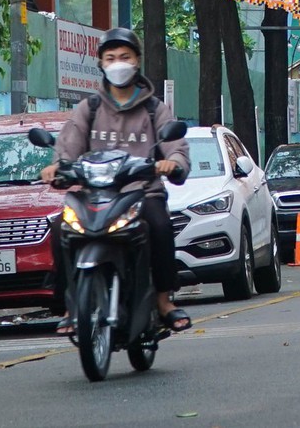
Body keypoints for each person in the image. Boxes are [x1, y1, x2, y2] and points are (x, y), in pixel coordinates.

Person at [42, 28, 193, 330]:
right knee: (61, 227)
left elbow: (176, 149)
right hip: (96, 195)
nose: (118, 63)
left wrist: (171, 163)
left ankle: (164, 301)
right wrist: (56, 166)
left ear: (137, 61)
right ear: (101, 64)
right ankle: (72, 304)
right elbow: (68, 146)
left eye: (125, 56)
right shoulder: (90, 108)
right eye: (110, 58)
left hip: (141, 193)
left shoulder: (154, 109)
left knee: (160, 226)